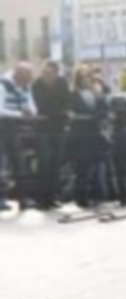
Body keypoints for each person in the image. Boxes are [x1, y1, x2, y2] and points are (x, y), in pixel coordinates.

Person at [68, 64, 110, 208]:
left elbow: (103, 110)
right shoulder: (73, 94)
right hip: (80, 135)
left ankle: (97, 195)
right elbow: (73, 113)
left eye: (87, 76)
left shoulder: (95, 92)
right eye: (82, 77)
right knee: (82, 167)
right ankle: (81, 197)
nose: (85, 80)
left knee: (97, 165)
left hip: (94, 133)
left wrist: (100, 96)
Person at [32, 61, 71, 210]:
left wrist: (58, 108)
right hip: (43, 128)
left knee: (57, 163)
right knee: (44, 162)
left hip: (59, 127)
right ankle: (41, 198)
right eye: (44, 73)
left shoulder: (62, 83)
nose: (46, 76)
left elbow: (66, 102)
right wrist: (57, 108)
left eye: (49, 73)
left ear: (56, 73)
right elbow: (41, 105)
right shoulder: (37, 85)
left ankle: (53, 196)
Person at [0, 62, 38, 211]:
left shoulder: (26, 86)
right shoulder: (3, 85)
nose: (29, 80)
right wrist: (20, 114)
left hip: (15, 129)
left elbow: (32, 106)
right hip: (2, 127)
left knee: (19, 164)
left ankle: (23, 199)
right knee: (1, 165)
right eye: (27, 77)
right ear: (18, 74)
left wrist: (31, 112)